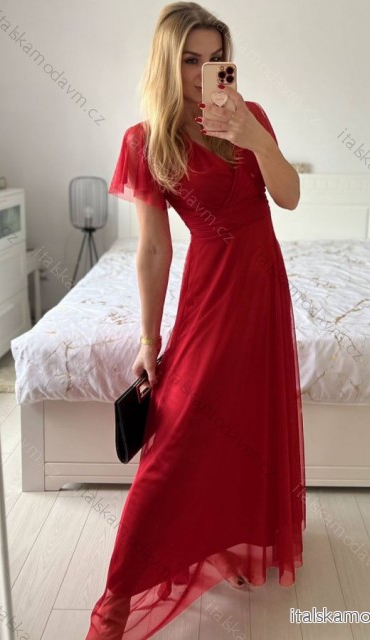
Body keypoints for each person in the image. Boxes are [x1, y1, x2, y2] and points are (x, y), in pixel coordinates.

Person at [85, 2, 306, 638]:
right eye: (190, 59)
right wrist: (148, 338)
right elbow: (155, 249)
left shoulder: (250, 116)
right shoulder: (145, 140)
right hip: (211, 293)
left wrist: (253, 137)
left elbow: (289, 197)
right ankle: (117, 597)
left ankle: (226, 541)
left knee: (246, 423)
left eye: (215, 59)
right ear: (166, 61)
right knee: (177, 435)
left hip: (264, 289)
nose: (204, 70)